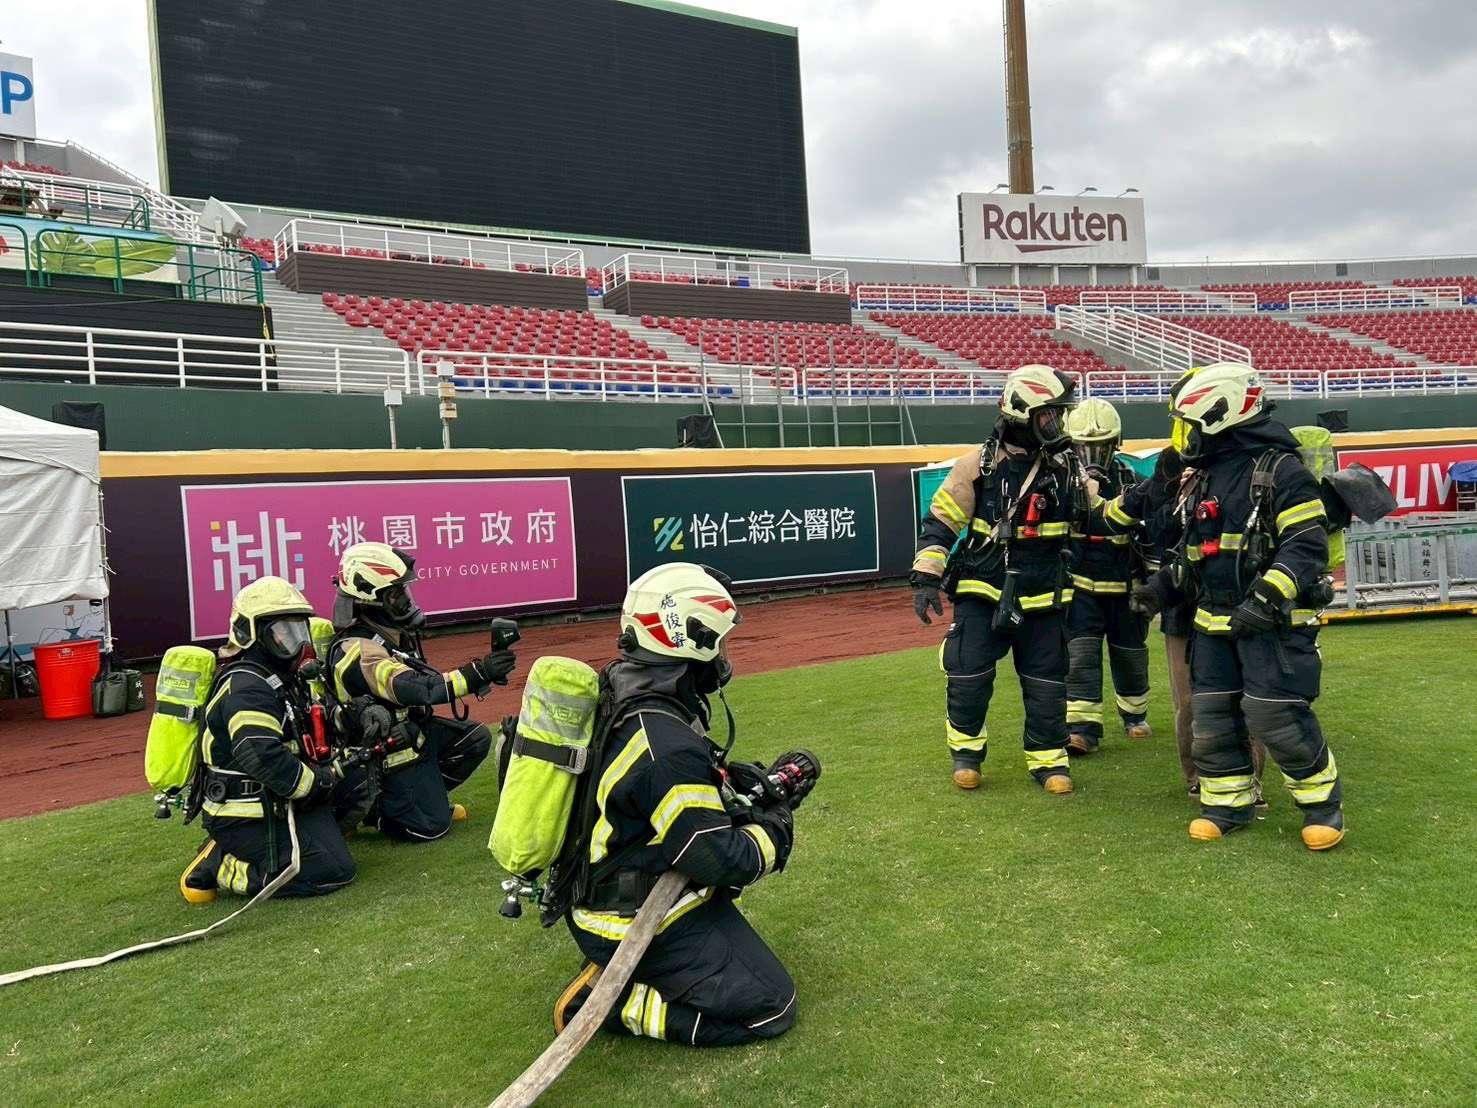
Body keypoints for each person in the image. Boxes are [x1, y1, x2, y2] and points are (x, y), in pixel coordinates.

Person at [554, 563, 801, 1046]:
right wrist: (778, 826)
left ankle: (623, 971)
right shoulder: (663, 744)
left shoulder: (624, 691)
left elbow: (661, 802)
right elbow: (718, 859)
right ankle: (610, 1001)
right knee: (770, 1007)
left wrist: (738, 791)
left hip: (616, 888)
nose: (724, 657)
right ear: (693, 639)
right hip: (632, 918)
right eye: (720, 643)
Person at [1102, 362, 1343, 849]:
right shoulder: (1205, 478)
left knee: (1275, 715)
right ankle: (1226, 805)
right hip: (1212, 624)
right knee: (1210, 719)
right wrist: (1158, 590)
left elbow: (1305, 545)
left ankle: (1322, 808)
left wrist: (1266, 597)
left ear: (1221, 416)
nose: (1185, 437)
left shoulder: (1282, 471)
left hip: (1271, 624)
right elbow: (1195, 555)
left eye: (1190, 425)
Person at [910, 365, 1085, 795]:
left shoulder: (1067, 467)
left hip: (1044, 595)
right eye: (1050, 415)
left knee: (1047, 682)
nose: (1057, 424)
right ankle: (967, 757)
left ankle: (1049, 761)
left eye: (1059, 415)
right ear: (1023, 413)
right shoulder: (977, 466)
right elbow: (941, 524)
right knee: (968, 676)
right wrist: (926, 578)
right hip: (982, 591)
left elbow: (1098, 513)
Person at [179, 576, 356, 903]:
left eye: (298, 629)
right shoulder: (247, 687)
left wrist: (347, 718)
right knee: (329, 870)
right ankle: (222, 865)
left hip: (278, 800)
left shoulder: (280, 677)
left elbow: (304, 723)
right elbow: (260, 755)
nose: (295, 641)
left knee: (341, 842)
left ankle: (265, 847)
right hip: (245, 813)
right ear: (250, 634)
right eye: (283, 631)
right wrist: (316, 783)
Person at [326, 542, 510, 842]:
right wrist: (478, 673)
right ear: (369, 599)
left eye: (403, 591)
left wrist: (479, 676)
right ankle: (374, 810)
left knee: (475, 739)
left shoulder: (390, 635)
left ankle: (421, 798)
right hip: (375, 756)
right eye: (395, 594)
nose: (405, 599)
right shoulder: (359, 649)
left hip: (408, 738)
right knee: (430, 828)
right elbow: (411, 688)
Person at [1063, 398, 1152, 755]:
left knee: (1130, 655)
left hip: (1125, 587)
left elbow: (1151, 535)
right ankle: (1082, 730)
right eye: (1084, 446)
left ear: (1115, 444)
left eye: (1100, 446)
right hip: (1079, 588)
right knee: (1080, 657)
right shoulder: (1061, 484)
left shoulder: (1133, 482)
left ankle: (1135, 716)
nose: (1092, 454)